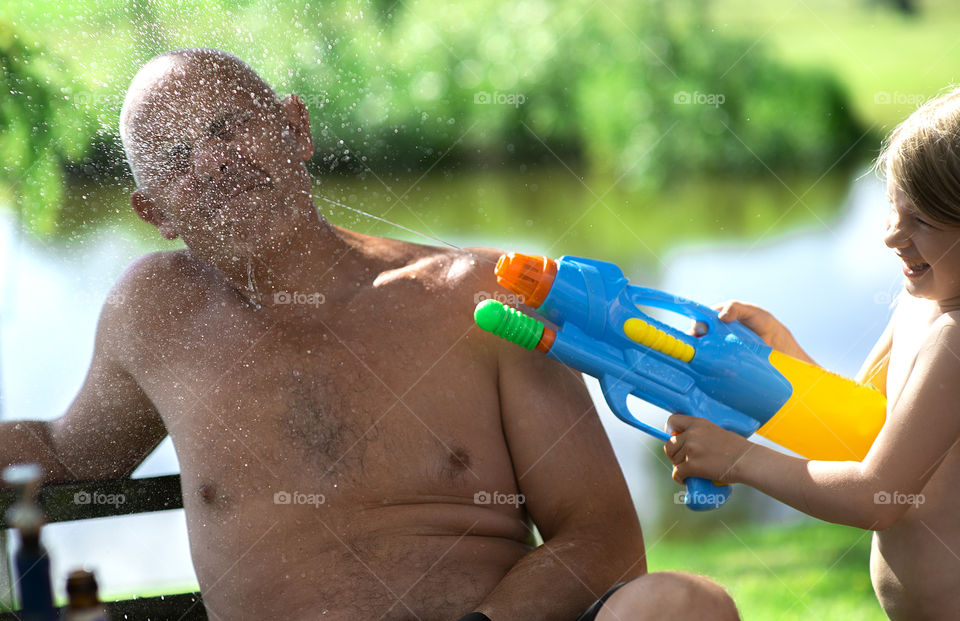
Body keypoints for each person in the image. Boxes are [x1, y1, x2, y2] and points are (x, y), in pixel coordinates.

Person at [1, 48, 739, 620]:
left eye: (228, 128)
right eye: (174, 158)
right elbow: (67, 451)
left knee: (685, 604)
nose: (212, 162)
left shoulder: (480, 301)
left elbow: (603, 538)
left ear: (296, 129)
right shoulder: (155, 313)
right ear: (151, 210)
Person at [666, 87, 960, 620]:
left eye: (923, 221)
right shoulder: (921, 303)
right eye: (893, 206)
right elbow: (859, 431)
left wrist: (739, 459)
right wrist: (787, 358)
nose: (894, 235)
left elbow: (876, 494)